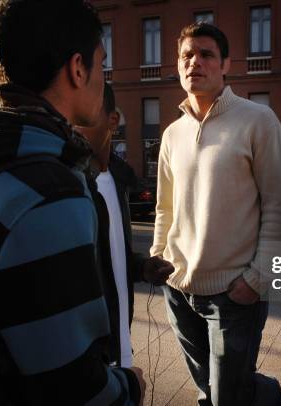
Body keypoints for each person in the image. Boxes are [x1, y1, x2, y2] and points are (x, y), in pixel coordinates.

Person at [0, 1, 144, 404]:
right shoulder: (48, 196)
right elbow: (75, 391)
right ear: (77, 69)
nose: (102, 78)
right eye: (100, 64)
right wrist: (131, 387)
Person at [151, 22, 281, 406]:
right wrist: (158, 256)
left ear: (226, 64)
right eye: (186, 56)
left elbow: (279, 204)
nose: (194, 62)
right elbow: (165, 206)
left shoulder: (257, 120)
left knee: (228, 395)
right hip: (179, 290)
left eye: (206, 54)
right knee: (208, 390)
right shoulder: (172, 133)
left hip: (235, 294)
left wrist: (258, 278)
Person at [78, 83, 173, 368]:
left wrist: (142, 267)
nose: (73, 128)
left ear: (113, 121)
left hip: (121, 345)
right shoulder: (74, 183)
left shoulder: (118, 180)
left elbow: (111, 259)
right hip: (93, 358)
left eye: (84, 118)